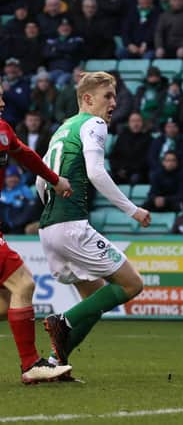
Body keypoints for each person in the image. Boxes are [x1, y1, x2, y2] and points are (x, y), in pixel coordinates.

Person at [36, 71, 151, 375]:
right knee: (132, 283)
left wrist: (52, 210)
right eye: (107, 96)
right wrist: (133, 210)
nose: (114, 102)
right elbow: (96, 173)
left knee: (96, 298)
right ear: (87, 99)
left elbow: (39, 179)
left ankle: (56, 362)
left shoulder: (63, 128)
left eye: (115, 96)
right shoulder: (93, 123)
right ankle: (63, 320)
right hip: (72, 225)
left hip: (49, 228)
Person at [0, 84, 73, 383]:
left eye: (4, 95)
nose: (3, 102)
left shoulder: (3, 130)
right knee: (23, 283)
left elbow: (24, 154)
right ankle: (30, 366)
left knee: (7, 300)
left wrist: (54, 179)